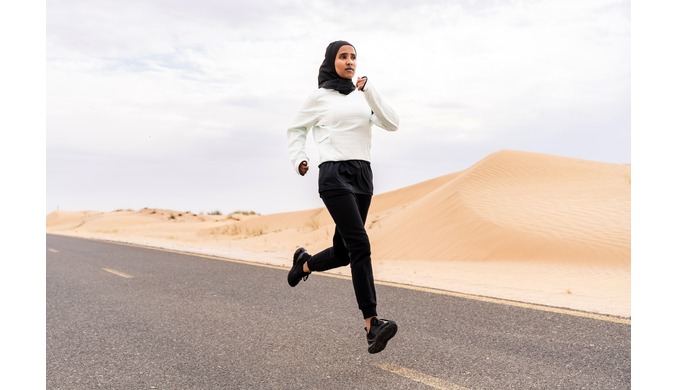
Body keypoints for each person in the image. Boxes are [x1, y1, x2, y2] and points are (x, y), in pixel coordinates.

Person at [286, 40, 400, 354]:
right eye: (343, 56)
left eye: (353, 57)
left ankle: (303, 266)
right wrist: (299, 160)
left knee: (344, 252)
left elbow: (392, 123)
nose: (349, 61)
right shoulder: (319, 97)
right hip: (334, 174)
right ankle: (371, 324)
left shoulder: (364, 98)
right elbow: (296, 129)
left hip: (363, 175)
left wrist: (371, 92)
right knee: (360, 244)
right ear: (331, 61)